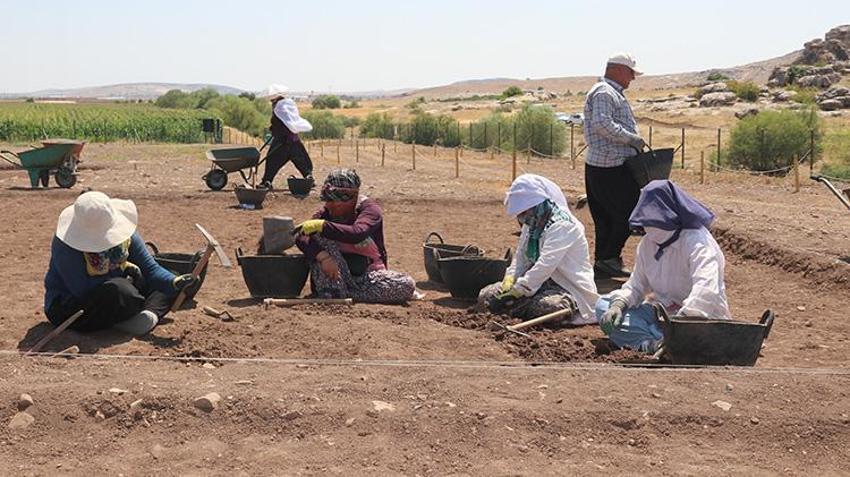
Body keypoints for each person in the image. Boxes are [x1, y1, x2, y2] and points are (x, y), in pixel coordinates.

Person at [596, 180, 731, 353]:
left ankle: (656, 342)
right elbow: (636, 285)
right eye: (646, 222)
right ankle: (654, 344)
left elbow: (706, 290)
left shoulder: (698, 243)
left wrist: (680, 324)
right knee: (603, 305)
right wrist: (618, 305)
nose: (649, 228)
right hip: (661, 313)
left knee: (697, 338)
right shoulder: (647, 244)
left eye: (655, 221)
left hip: (698, 319)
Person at [43, 191, 197, 335]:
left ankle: (148, 315)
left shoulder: (126, 235)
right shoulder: (65, 245)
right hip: (73, 305)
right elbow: (81, 289)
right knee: (120, 291)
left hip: (120, 288)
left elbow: (151, 269)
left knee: (168, 279)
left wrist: (174, 282)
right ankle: (125, 316)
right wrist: (124, 269)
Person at [479, 174, 599, 325]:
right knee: (487, 295)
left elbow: (546, 264)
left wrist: (518, 291)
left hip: (564, 287)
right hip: (533, 285)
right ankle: (520, 309)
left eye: (524, 212)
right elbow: (520, 257)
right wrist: (509, 281)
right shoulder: (532, 223)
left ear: (538, 205)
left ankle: (564, 309)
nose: (522, 218)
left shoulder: (563, 226)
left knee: (550, 307)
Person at [295, 169, 416, 304]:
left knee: (406, 285)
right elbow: (301, 236)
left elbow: (357, 233)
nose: (328, 204)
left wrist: (324, 226)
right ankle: (336, 291)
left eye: (334, 201)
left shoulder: (370, 210)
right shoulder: (325, 213)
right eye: (327, 200)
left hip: (368, 276)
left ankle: (343, 294)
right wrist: (324, 257)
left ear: (351, 198)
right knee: (319, 238)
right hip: (335, 274)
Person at [583, 53, 648, 278]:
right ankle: (609, 258)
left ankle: (605, 261)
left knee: (607, 216)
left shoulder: (607, 92)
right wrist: (632, 139)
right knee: (628, 212)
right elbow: (602, 123)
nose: (632, 78)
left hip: (603, 164)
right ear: (618, 70)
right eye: (631, 73)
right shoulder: (605, 92)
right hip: (611, 165)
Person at [259, 84, 314, 189]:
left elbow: (284, 123)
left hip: (282, 141)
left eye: (271, 99)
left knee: (272, 161)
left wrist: (274, 128)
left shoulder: (280, 107)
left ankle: (266, 181)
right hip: (293, 140)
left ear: (275, 97)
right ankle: (308, 178)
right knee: (301, 160)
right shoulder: (288, 105)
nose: (271, 101)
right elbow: (287, 122)